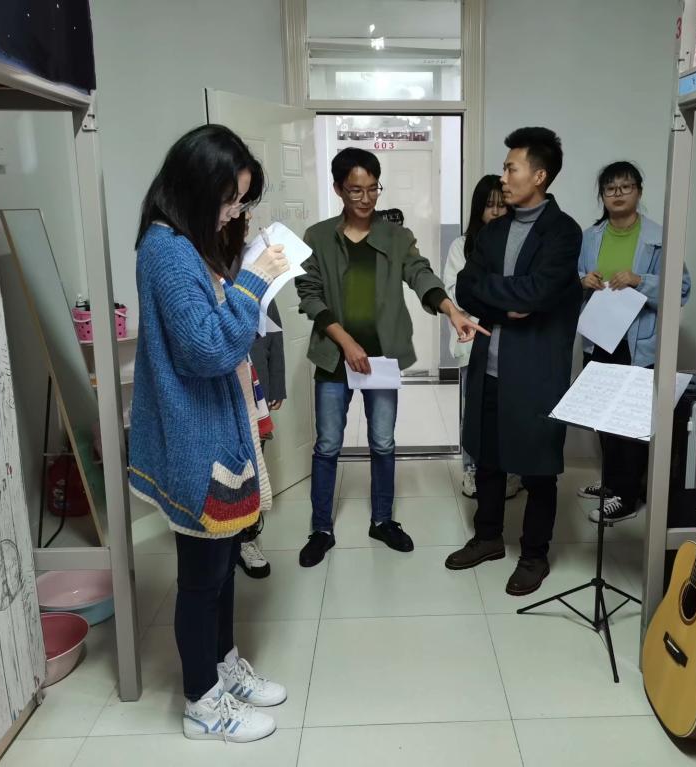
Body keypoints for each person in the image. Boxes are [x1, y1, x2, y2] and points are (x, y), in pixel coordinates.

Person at [129, 124, 289, 743]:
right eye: (229, 200)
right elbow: (207, 349)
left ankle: (222, 668)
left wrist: (237, 276)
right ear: (195, 189)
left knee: (221, 569)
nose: (234, 213)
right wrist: (253, 282)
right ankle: (202, 702)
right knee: (201, 580)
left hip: (213, 429)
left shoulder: (186, 243)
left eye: (241, 201)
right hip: (194, 439)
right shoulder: (167, 251)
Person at [295, 147, 486, 568]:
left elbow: (420, 274)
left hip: (379, 361)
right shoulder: (318, 237)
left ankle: (382, 520)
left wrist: (450, 309)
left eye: (372, 189)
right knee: (327, 445)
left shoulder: (396, 237)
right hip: (333, 358)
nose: (365, 198)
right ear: (338, 189)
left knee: (383, 442)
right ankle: (321, 528)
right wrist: (346, 342)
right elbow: (309, 295)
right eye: (355, 190)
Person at [445, 127, 583, 596]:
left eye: (511, 168)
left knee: (539, 468)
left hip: (536, 371)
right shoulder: (494, 230)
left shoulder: (563, 232)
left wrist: (503, 298)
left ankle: (534, 555)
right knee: (487, 458)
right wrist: (513, 304)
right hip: (489, 365)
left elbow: (539, 292)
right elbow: (467, 288)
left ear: (539, 175)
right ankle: (487, 538)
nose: (503, 177)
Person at [575, 161, 692, 521]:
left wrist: (641, 280)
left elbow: (682, 287)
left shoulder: (659, 237)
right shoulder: (590, 236)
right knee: (602, 414)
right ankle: (613, 482)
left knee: (630, 418)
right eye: (611, 188)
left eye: (626, 187)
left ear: (639, 191)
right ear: (602, 196)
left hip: (638, 341)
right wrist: (582, 280)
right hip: (600, 336)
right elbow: (573, 274)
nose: (618, 194)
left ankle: (627, 496)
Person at [442, 175, 522, 501]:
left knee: (511, 412)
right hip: (474, 343)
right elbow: (455, 294)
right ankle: (472, 470)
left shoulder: (519, 243)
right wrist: (498, 299)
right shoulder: (462, 246)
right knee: (474, 412)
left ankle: (511, 472)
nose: (496, 212)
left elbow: (523, 294)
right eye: (489, 205)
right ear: (478, 209)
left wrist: (490, 295)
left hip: (514, 345)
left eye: (502, 205)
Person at [221, 214, 287, 579]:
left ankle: (247, 538)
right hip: (220, 385)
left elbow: (275, 333)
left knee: (253, 463)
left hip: (255, 386)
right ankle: (223, 538)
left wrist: (276, 385)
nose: (244, 227)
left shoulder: (254, 265)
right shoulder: (203, 265)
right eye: (237, 220)